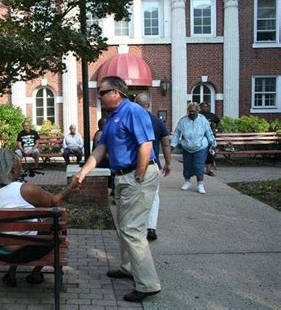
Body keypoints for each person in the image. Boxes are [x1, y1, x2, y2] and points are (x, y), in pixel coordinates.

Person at [72, 76, 161, 303]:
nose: (98, 96)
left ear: (116, 93)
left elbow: (146, 144)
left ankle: (148, 284)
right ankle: (127, 268)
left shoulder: (134, 111)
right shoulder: (111, 119)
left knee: (132, 229)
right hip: (122, 177)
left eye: (102, 92)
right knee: (124, 226)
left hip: (137, 175)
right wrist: (83, 172)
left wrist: (138, 177)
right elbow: (100, 150)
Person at [0, 149, 77, 287]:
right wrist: (71, 186)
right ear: (14, 169)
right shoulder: (26, 189)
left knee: (22, 230)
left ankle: (11, 273)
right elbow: (54, 201)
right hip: (22, 253)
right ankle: (35, 273)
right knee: (57, 225)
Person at [135, 92, 171, 241]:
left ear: (135, 104)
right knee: (154, 197)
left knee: (137, 197)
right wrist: (168, 163)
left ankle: (138, 227)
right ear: (148, 105)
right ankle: (151, 228)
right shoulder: (157, 121)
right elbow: (166, 143)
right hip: (152, 164)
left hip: (134, 165)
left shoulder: (132, 120)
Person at [170, 102, 216, 194]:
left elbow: (209, 132)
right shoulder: (183, 121)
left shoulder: (203, 120)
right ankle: (187, 182)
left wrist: (213, 143)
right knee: (187, 166)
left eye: (193, 111)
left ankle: (200, 184)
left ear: (197, 111)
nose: (191, 113)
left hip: (201, 147)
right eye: (190, 111)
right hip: (187, 147)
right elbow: (176, 133)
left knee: (198, 166)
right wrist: (172, 145)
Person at [200, 102, 220, 176]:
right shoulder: (198, 115)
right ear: (200, 108)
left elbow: (218, 121)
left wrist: (216, 129)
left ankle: (208, 170)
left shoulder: (212, 115)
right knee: (201, 152)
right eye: (204, 107)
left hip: (210, 137)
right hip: (201, 137)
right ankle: (200, 169)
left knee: (211, 153)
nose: (205, 108)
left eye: (207, 107)